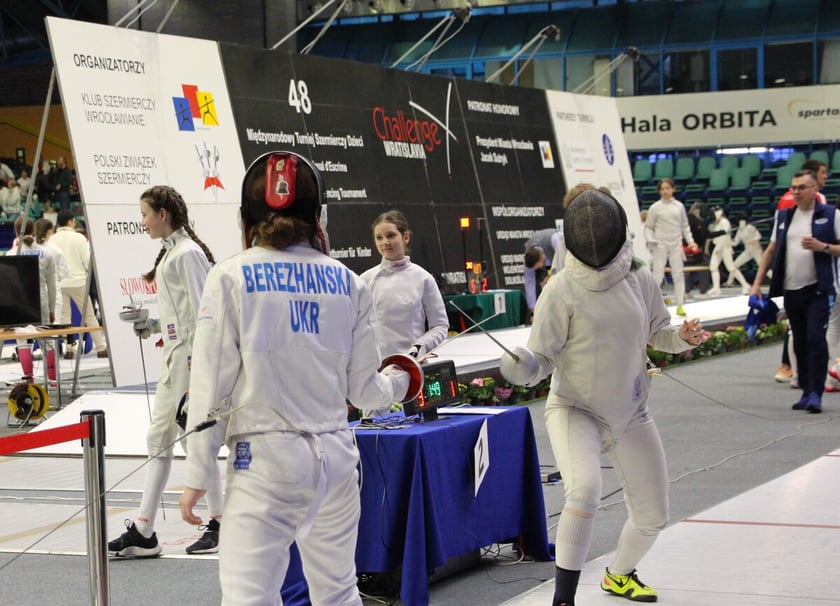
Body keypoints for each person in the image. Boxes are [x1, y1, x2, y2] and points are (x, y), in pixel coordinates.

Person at [179, 151, 411, 605]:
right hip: (336, 461)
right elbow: (366, 393)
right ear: (318, 215)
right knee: (339, 593)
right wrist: (403, 379)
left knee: (249, 599)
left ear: (247, 216)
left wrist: (198, 471)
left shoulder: (229, 276)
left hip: (264, 462)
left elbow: (210, 386)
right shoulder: (349, 282)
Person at [499, 189, 706, 606]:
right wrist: (523, 366)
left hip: (630, 411)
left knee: (653, 516)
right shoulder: (561, 289)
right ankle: (563, 600)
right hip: (575, 410)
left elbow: (658, 333)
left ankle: (619, 574)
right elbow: (542, 359)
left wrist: (682, 338)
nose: (594, 236)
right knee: (584, 491)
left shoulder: (639, 278)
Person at [107, 186, 225, 557]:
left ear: (162, 214)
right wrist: (153, 324)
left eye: (145, 214)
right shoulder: (173, 252)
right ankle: (144, 531)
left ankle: (219, 522)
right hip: (174, 361)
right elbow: (181, 314)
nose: (142, 222)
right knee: (158, 439)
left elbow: (205, 315)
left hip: (190, 362)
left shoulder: (187, 253)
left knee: (197, 441)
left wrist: (200, 371)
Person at [750, 170, 840, 414]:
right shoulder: (784, 216)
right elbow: (771, 251)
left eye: (802, 187)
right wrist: (757, 284)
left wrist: (823, 247)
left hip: (818, 290)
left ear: (815, 189)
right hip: (791, 290)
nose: (796, 192)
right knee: (799, 341)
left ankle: (816, 392)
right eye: (794, 187)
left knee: (816, 339)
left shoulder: (831, 215)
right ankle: (806, 389)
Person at [361, 209, 448, 360]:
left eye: (390, 235)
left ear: (405, 237)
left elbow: (440, 325)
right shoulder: (365, 279)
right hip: (377, 366)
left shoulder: (423, 278)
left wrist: (421, 346)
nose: (385, 242)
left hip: (412, 364)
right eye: (379, 237)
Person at [772, 159, 828, 385]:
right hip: (796, 281)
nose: (826, 177)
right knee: (807, 333)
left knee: (803, 332)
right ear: (813, 179)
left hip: (812, 283)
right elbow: (776, 244)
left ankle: (796, 372)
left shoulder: (785, 199)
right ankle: (798, 372)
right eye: (823, 173)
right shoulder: (816, 201)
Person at [48, 210, 108, 358]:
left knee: (65, 318)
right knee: (89, 315)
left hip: (60, 283)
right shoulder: (79, 238)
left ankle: (70, 349)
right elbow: (87, 261)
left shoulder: (51, 239)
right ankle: (100, 348)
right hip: (78, 281)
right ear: (71, 221)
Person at [6, 217, 58, 382]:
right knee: (48, 341)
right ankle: (53, 382)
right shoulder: (47, 253)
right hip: (42, 302)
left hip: (20, 303)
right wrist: (51, 309)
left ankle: (29, 382)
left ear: (16, 232)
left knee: (23, 342)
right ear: (34, 231)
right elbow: (52, 285)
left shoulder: (11, 254)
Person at [644, 178, 697, 316]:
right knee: (657, 275)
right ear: (659, 191)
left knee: (678, 275)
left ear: (673, 189)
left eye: (667, 188)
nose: (665, 191)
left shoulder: (679, 206)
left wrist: (691, 242)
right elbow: (648, 227)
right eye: (662, 189)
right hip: (660, 244)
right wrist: (651, 240)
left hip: (676, 244)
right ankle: (652, 306)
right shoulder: (655, 207)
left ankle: (680, 305)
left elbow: (685, 226)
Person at [706, 205, 750, 295]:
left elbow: (725, 236)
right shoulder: (718, 223)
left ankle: (746, 285)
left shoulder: (725, 222)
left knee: (731, 267)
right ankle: (716, 288)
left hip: (725, 247)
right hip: (718, 246)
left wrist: (719, 248)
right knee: (713, 267)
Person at [35, 218, 68, 323]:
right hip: (53, 291)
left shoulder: (30, 248)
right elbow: (63, 272)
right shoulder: (55, 249)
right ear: (49, 231)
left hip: (33, 292)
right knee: (53, 326)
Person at [524, 227, 561, 319]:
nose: (538, 268)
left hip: (562, 261)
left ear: (542, 258)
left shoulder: (555, 240)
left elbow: (566, 261)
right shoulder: (529, 254)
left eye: (538, 266)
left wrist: (552, 276)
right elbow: (529, 283)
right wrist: (533, 312)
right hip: (550, 265)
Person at [728, 213, 764, 283]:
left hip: (756, 250)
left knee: (763, 267)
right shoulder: (739, 231)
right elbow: (735, 243)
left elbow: (759, 236)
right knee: (734, 265)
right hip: (748, 251)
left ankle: (776, 279)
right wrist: (728, 239)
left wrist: (753, 240)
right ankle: (729, 282)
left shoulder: (750, 227)